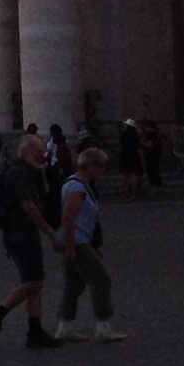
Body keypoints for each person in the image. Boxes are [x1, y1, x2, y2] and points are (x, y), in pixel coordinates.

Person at [0, 132, 62, 348]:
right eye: (38, 151)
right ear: (25, 151)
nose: (43, 155)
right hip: (20, 235)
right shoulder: (20, 173)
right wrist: (51, 233)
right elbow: (29, 206)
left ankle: (35, 331)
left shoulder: (24, 171)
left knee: (35, 281)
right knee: (34, 281)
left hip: (23, 233)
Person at [53, 146, 126, 342]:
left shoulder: (79, 185)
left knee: (74, 283)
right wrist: (71, 248)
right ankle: (103, 325)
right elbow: (68, 218)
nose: (103, 171)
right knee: (101, 279)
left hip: (78, 240)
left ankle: (65, 325)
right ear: (90, 165)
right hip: (77, 241)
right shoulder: (77, 188)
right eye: (100, 166)